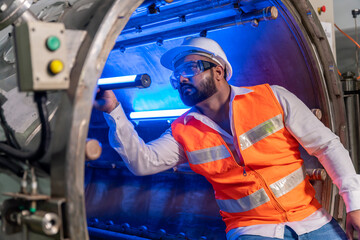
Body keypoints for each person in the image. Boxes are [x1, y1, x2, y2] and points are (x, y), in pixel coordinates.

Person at [94, 37, 360, 240]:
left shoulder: (273, 98)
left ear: (218, 71)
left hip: (313, 219)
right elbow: (144, 162)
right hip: (252, 230)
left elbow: (327, 145)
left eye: (191, 67)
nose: (181, 77)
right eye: (177, 74)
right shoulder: (182, 130)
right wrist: (113, 111)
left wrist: (354, 205)